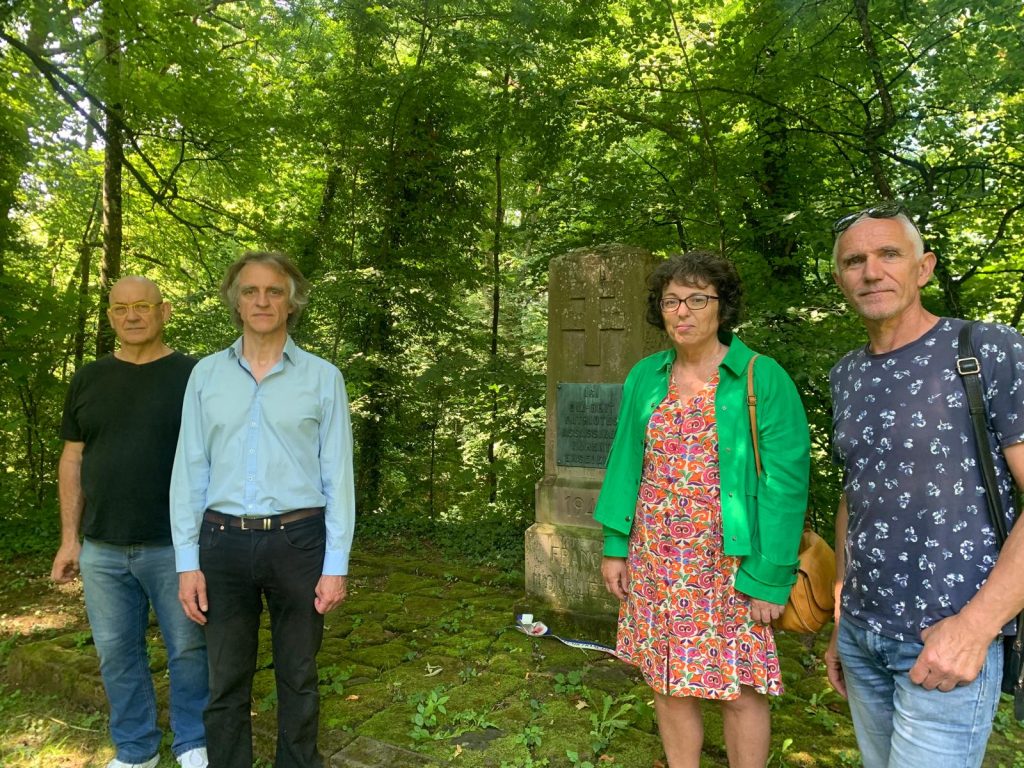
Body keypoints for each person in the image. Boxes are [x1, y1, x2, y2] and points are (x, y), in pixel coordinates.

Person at [825, 203, 1024, 767]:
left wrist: (976, 627)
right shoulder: (848, 373)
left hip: (947, 637)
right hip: (864, 635)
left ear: (924, 267)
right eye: (854, 260)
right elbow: (855, 492)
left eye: (889, 254)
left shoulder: (985, 350)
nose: (871, 271)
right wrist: (844, 614)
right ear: (840, 278)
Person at [595, 250, 810, 768]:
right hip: (655, 560)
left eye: (697, 299)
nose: (683, 311)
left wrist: (771, 575)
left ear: (722, 306)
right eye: (671, 301)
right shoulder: (647, 375)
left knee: (738, 687)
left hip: (731, 565)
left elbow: (786, 484)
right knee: (666, 679)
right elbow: (626, 463)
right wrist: (615, 545)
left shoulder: (761, 377)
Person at [170, 251, 355, 768]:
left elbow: (337, 476)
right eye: (250, 291)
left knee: (298, 674)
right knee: (225, 677)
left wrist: (335, 564)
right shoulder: (206, 376)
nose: (262, 300)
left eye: (274, 291)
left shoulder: (323, 378)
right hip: (221, 544)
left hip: (299, 542)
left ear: (291, 302)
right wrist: (188, 562)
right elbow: (189, 471)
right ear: (235, 300)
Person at [51, 276, 208, 768]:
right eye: (121, 309)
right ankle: (137, 750)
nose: (132, 316)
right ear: (111, 316)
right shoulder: (89, 378)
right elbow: (72, 458)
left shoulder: (195, 376)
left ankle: (193, 743)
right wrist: (68, 540)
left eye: (143, 306)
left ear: (165, 312)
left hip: (175, 546)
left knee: (189, 649)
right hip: (101, 548)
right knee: (116, 655)